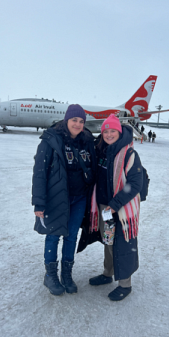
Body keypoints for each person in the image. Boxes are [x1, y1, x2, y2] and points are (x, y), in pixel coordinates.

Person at [32, 104, 96, 296]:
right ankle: (50, 275)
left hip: (79, 198)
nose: (77, 124)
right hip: (56, 198)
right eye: (74, 120)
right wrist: (39, 202)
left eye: (81, 121)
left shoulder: (86, 141)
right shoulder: (51, 140)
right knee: (53, 235)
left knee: (71, 236)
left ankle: (67, 275)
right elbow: (40, 173)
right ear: (66, 120)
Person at [80, 114, 143, 301]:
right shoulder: (102, 151)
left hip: (121, 210)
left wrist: (115, 206)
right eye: (105, 131)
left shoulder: (129, 154)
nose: (108, 134)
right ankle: (108, 274)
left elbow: (135, 183)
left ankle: (125, 284)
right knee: (108, 241)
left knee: (123, 244)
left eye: (112, 131)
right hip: (104, 208)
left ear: (119, 131)